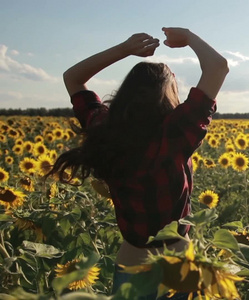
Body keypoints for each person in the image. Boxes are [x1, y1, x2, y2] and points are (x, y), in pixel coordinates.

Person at [47, 27, 228, 299]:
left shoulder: (104, 128)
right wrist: (189, 37)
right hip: (177, 269)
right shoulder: (175, 134)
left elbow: (73, 78)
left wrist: (124, 49)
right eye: (174, 88)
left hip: (131, 265)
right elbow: (218, 67)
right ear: (167, 95)